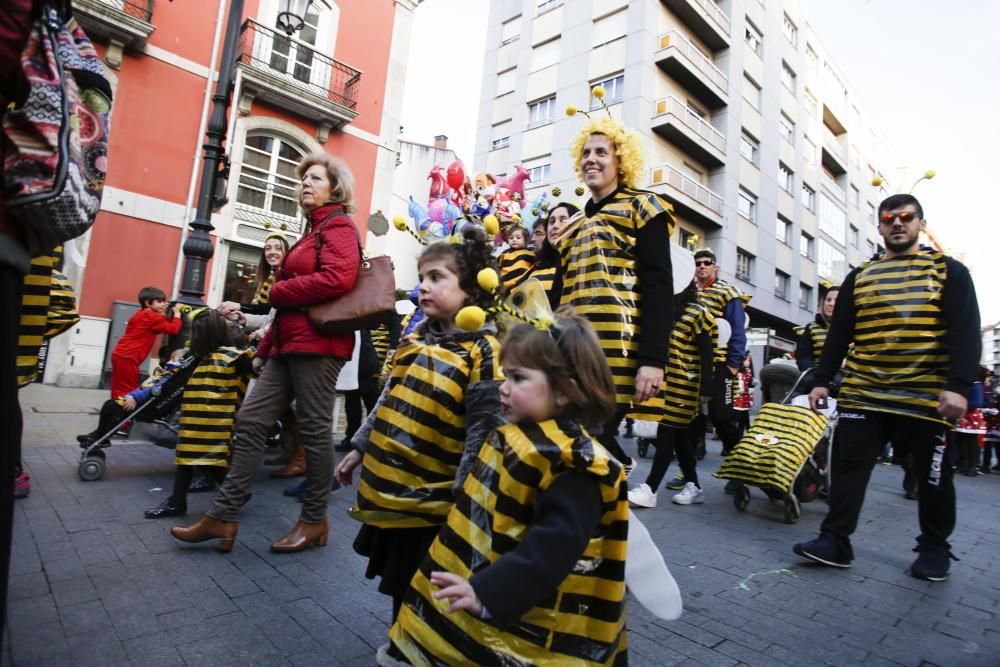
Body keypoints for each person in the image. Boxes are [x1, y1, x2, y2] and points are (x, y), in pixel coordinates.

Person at [388, 311, 628, 666]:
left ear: (566, 391)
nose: (502, 386)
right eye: (504, 374)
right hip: (508, 617)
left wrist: (488, 592)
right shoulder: (521, 438)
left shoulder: (574, 464)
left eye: (517, 377)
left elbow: (553, 548)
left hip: (547, 632)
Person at [171, 152, 361, 553]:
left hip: (319, 347)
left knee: (312, 431)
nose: (305, 183)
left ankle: (314, 521)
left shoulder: (338, 225)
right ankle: (223, 516)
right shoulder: (310, 230)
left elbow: (338, 278)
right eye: (302, 178)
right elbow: (286, 312)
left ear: (335, 187)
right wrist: (267, 349)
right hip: (289, 345)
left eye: (314, 178)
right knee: (251, 421)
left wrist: (277, 290)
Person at [794, 194, 981, 582]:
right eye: (889, 218)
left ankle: (934, 547)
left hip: (925, 395)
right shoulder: (860, 276)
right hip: (864, 392)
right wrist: (823, 380)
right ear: (879, 227)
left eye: (907, 217)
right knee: (848, 471)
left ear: (921, 224)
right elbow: (840, 334)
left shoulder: (949, 271)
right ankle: (835, 541)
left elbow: (965, 330)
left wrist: (959, 386)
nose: (898, 223)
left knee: (932, 476)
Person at [333, 225, 504, 635]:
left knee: (429, 581)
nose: (423, 286)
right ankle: (401, 644)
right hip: (397, 494)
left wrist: (468, 499)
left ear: (471, 291)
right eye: (421, 277)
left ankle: (420, 647)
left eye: (436, 277)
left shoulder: (483, 351)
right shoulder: (413, 341)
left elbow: (483, 430)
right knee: (403, 582)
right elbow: (386, 402)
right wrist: (360, 446)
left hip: (437, 502)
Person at [555, 116, 674, 478]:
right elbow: (559, 295)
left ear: (621, 161)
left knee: (591, 445)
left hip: (618, 356)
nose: (592, 159)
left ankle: (604, 517)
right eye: (586, 152)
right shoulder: (572, 225)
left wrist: (653, 359)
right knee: (574, 446)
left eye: (602, 152)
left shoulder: (644, 207)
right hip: (570, 353)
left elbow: (658, 286)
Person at [145, 311, 253, 519]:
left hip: (215, 421)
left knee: (204, 460)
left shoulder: (232, 357)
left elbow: (251, 372)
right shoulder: (204, 356)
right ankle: (183, 501)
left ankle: (179, 502)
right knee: (197, 460)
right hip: (198, 419)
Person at [628, 286, 714, 508]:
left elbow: (707, 352)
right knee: (679, 436)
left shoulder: (698, 312)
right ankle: (694, 486)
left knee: (667, 430)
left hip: (686, 384)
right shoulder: (664, 309)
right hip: (665, 381)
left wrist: (706, 386)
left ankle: (650, 489)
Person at [671, 249, 748, 492]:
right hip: (691, 366)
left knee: (723, 418)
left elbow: (737, 329)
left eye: (707, 263)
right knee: (688, 418)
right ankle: (688, 472)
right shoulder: (687, 290)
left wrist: (734, 364)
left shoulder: (728, 292)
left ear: (715, 267)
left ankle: (740, 470)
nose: (702, 266)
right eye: (698, 263)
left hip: (721, 366)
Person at [109, 286, 182, 400]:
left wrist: (162, 312)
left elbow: (157, 328)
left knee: (118, 387)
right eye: (160, 301)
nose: (164, 304)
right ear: (148, 303)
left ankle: (114, 411)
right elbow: (173, 329)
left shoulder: (140, 314)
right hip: (129, 357)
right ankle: (124, 415)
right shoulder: (152, 317)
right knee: (129, 389)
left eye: (164, 301)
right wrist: (177, 315)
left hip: (120, 354)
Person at [532, 201, 578, 309]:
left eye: (563, 220)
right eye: (552, 222)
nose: (555, 226)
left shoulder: (586, 260)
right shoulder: (536, 266)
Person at [496, 225, 534, 290]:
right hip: (506, 287)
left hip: (523, 285)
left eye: (518, 238)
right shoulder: (504, 253)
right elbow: (497, 267)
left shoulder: (529, 252)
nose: (514, 240)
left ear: (526, 240)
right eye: (511, 238)